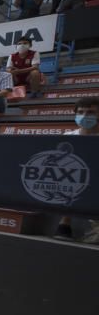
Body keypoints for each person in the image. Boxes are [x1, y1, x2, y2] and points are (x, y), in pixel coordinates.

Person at [55, 96, 99, 243]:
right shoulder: (68, 137)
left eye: (91, 112)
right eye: (81, 112)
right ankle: (65, 222)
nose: (85, 116)